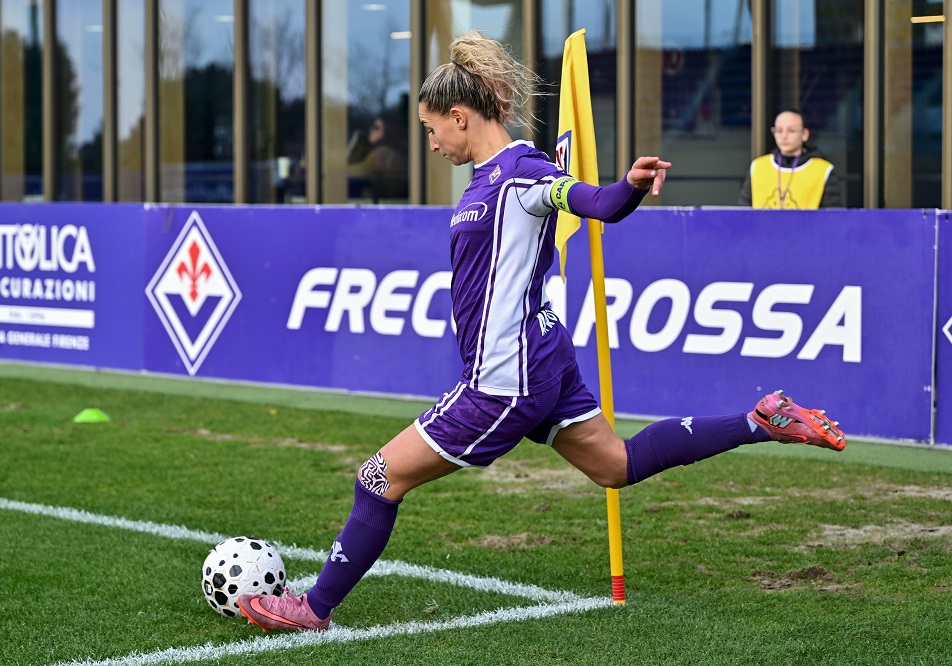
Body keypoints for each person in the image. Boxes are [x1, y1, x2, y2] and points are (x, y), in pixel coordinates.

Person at [238, 31, 846, 633]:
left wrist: (630, 187)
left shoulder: (522, 174)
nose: (431, 142)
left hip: (507, 377)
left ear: (459, 116)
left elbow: (597, 204)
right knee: (617, 464)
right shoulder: (491, 178)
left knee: (378, 478)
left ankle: (313, 608)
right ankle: (760, 419)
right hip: (541, 356)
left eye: (431, 129)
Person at [737, 109, 842, 209]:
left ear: (805, 134)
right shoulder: (758, 167)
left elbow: (832, 216)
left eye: (791, 131)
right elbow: (743, 212)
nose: (784, 136)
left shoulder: (823, 170)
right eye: (779, 130)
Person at [348, 113, 408, 202]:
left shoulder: (383, 154)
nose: (371, 130)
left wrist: (358, 141)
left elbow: (350, 172)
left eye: (376, 128)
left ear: (388, 131)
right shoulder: (387, 152)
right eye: (371, 126)